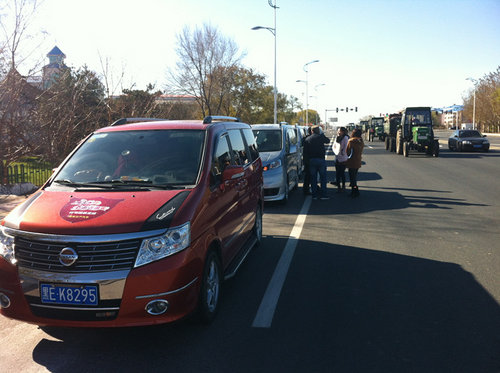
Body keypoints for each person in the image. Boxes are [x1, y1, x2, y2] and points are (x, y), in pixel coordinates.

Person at [303, 125, 330, 200]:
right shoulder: (321, 137)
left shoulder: (307, 139)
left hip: (312, 160)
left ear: (312, 131)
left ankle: (314, 195)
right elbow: (328, 141)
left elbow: (305, 152)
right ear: (319, 131)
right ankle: (323, 195)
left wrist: (306, 162)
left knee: (313, 178)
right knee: (323, 178)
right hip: (321, 160)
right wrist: (322, 134)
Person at [345, 128, 364, 198]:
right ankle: (355, 189)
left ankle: (355, 190)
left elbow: (347, 151)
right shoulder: (361, 141)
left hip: (351, 161)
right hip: (358, 160)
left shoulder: (351, 141)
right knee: (354, 177)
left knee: (352, 178)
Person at [331, 127, 349, 193]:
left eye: (340, 131)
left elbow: (346, 148)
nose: (338, 132)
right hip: (337, 157)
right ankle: (339, 187)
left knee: (342, 173)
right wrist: (336, 152)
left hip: (343, 158)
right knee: (337, 173)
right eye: (338, 131)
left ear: (343, 132)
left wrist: (342, 153)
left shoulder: (345, 138)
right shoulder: (337, 138)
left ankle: (343, 186)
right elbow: (334, 146)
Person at [302, 126, 313, 195]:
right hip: (310, 159)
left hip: (306, 159)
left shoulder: (305, 138)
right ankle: (307, 189)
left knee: (307, 175)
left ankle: (306, 189)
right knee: (310, 175)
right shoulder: (311, 139)